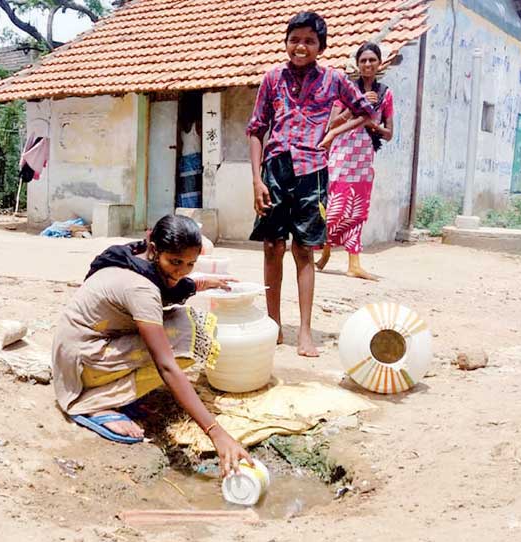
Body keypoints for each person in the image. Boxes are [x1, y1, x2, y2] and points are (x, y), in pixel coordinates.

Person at [52, 214, 251, 477]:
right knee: (187, 340)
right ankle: (97, 402)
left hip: (78, 346)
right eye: (175, 262)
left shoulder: (136, 255)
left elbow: (174, 285)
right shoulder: (141, 289)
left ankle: (115, 389)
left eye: (190, 263)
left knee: (186, 325)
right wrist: (216, 432)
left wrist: (203, 283)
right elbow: (166, 366)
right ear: (155, 250)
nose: (181, 271)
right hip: (83, 361)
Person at [247, 11, 375, 357]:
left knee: (304, 250)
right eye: (295, 39)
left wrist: (333, 131)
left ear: (321, 46)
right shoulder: (272, 78)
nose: (300, 47)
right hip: (275, 169)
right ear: (286, 42)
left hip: (313, 171)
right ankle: (273, 325)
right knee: (272, 246)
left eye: (309, 41)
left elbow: (366, 110)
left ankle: (304, 331)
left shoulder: (334, 79)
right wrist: (257, 180)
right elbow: (257, 129)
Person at [316, 42, 395, 280]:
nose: (368, 64)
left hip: (364, 154)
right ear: (358, 64)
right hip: (342, 152)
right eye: (364, 60)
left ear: (379, 64)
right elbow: (332, 124)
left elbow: (389, 133)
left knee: (357, 207)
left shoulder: (385, 94)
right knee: (335, 204)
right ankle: (326, 251)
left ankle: (354, 263)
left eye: (372, 60)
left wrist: (370, 120)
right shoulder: (347, 89)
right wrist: (357, 104)